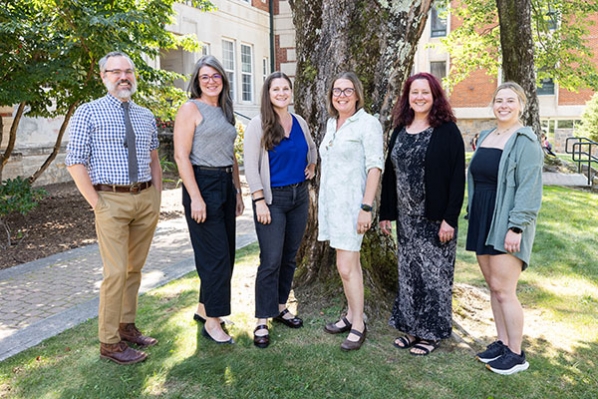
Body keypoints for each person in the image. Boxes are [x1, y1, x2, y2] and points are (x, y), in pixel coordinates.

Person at [66, 51, 162, 365]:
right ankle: (109, 343)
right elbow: (74, 161)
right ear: (104, 76)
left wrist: (156, 197)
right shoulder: (88, 112)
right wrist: (97, 204)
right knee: (116, 272)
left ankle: (126, 326)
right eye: (115, 71)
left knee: (134, 269)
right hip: (110, 201)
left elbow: (154, 159)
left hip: (145, 199)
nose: (123, 76)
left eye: (128, 71)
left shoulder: (145, 114)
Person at [379, 72, 465, 356]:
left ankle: (431, 333)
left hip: (435, 219)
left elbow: (457, 179)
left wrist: (449, 219)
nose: (419, 97)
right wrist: (386, 213)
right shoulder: (400, 128)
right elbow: (390, 175)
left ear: (435, 96)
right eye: (414, 92)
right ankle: (411, 328)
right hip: (406, 219)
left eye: (425, 92)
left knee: (435, 278)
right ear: (407, 96)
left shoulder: (447, 130)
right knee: (409, 275)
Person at [466, 82, 543, 375]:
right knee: (493, 287)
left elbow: (529, 187)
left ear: (521, 105)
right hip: (482, 217)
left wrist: (517, 226)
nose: (504, 105)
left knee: (505, 289)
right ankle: (501, 342)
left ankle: (516, 353)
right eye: (499, 100)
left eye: (511, 100)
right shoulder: (487, 136)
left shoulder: (525, 141)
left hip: (507, 221)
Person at [173, 55, 244, 345]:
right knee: (215, 258)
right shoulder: (190, 109)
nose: (211, 81)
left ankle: (204, 309)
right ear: (197, 81)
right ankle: (213, 322)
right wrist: (196, 198)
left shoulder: (226, 111)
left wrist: (238, 190)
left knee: (226, 253)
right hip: (202, 184)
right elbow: (180, 155)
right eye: (205, 77)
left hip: (225, 184)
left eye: (216, 76)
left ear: (223, 80)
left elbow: (232, 154)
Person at [244, 72, 317, 348]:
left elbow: (311, 149)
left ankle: (280, 306)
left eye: (286, 88)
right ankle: (262, 318)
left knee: (289, 257)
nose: (282, 93)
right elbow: (251, 165)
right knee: (271, 259)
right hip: (272, 200)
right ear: (268, 92)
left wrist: (312, 165)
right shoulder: (257, 124)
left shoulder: (299, 121)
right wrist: (259, 200)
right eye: (276, 89)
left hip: (299, 196)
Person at [319, 71, 384, 351]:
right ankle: (349, 315)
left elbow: (375, 167)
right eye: (336, 91)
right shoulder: (332, 124)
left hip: (353, 206)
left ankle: (359, 324)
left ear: (357, 94)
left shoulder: (367, 124)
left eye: (347, 91)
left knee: (345, 267)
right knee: (349, 265)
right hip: (332, 206)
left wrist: (366, 208)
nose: (341, 95)